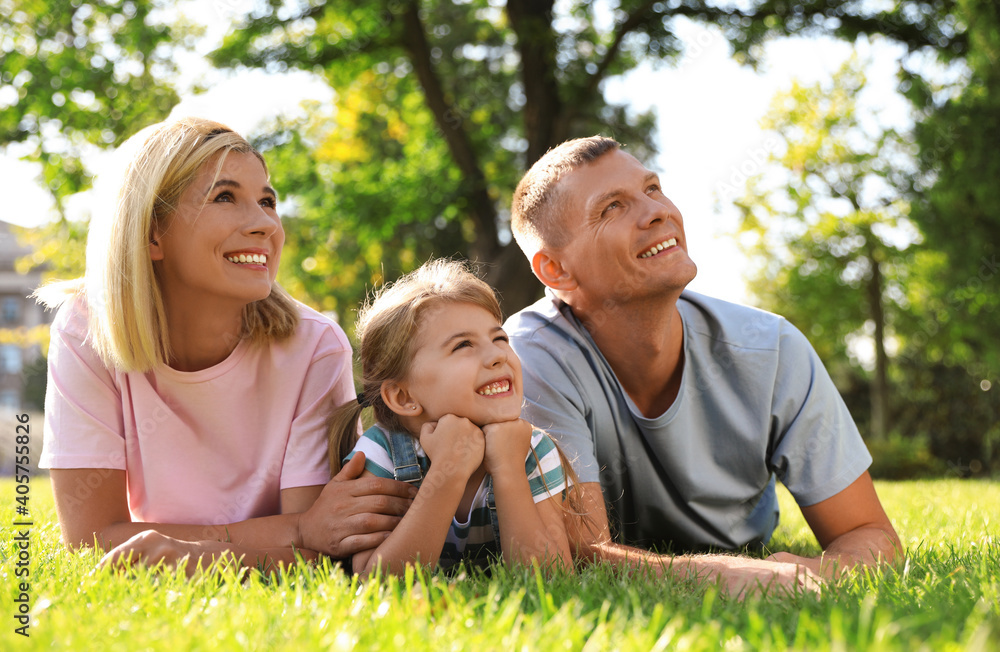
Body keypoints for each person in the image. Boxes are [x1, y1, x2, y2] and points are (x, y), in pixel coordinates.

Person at [504, 135, 901, 593]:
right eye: (611, 207)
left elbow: (869, 534)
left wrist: (822, 573)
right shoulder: (529, 357)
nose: (657, 211)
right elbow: (581, 555)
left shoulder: (772, 351)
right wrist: (728, 575)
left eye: (652, 189)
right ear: (555, 271)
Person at [35, 117, 415, 574]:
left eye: (267, 201)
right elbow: (92, 540)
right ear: (152, 232)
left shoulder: (315, 348)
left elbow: (322, 546)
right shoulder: (84, 330)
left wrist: (190, 554)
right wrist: (290, 532)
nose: (263, 224)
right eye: (225, 196)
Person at [327, 259, 579, 576]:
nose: (498, 355)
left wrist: (509, 470)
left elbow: (552, 580)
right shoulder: (380, 455)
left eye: (499, 339)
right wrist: (449, 472)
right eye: (463, 345)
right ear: (403, 397)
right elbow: (376, 582)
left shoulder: (530, 449)